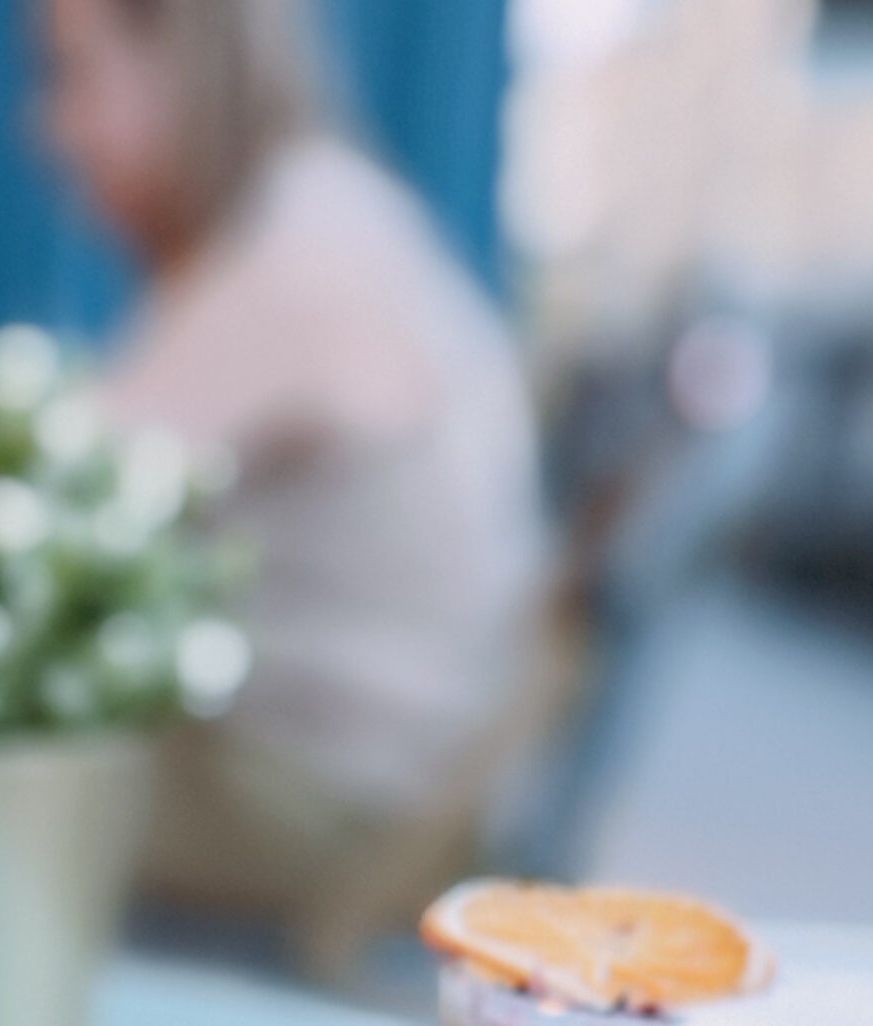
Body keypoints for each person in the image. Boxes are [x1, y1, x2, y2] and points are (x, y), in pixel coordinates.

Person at [35, 0, 551, 960]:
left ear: (183, 56)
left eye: (73, 72)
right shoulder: (324, 208)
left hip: (343, 802)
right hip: (391, 770)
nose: (52, 128)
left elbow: (46, 497)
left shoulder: (295, 256)